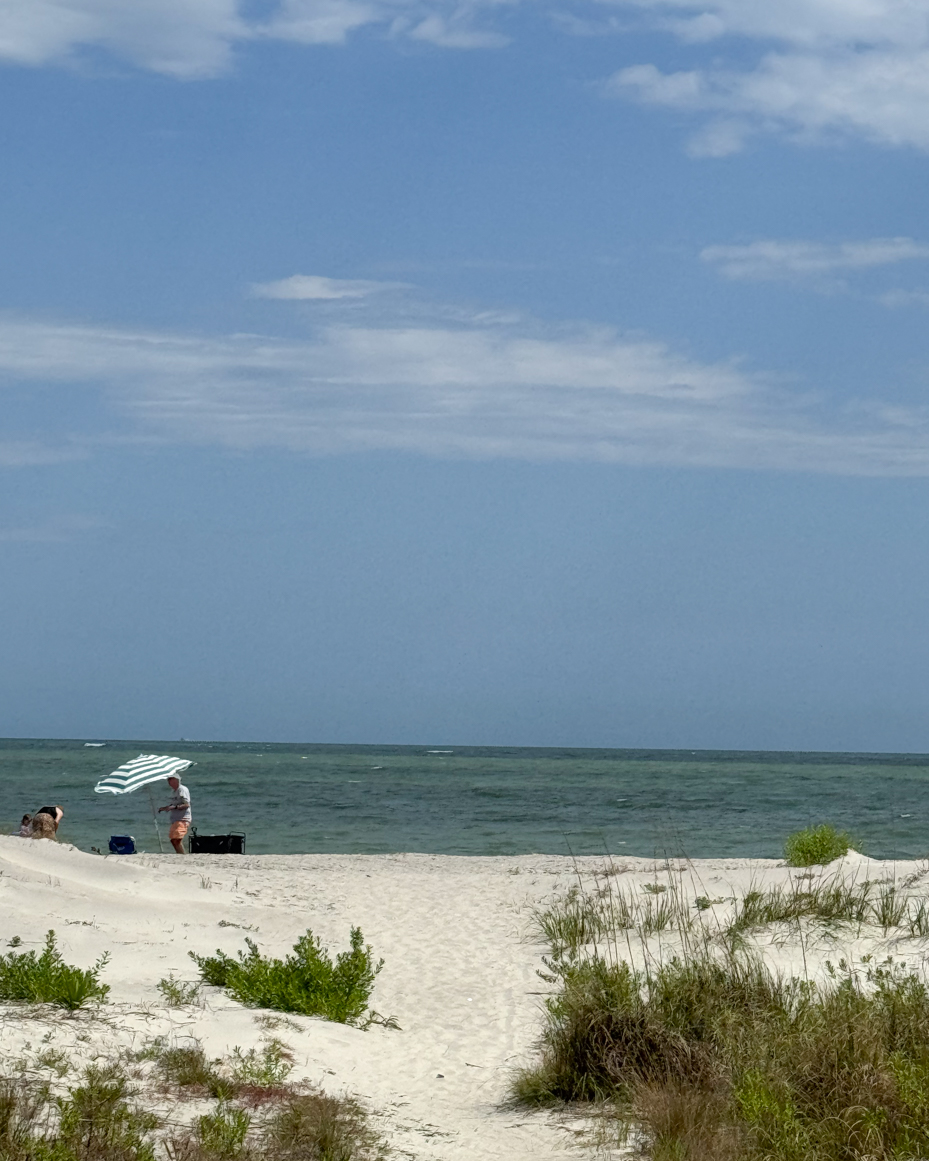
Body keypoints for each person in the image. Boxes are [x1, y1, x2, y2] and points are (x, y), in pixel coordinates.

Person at [158, 776, 191, 854]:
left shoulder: (182, 789)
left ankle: (182, 854)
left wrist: (175, 807)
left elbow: (186, 804)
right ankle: (179, 853)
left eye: (172, 781)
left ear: (177, 781)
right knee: (173, 839)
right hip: (175, 818)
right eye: (169, 782)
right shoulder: (174, 791)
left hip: (183, 818)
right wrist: (164, 808)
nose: (170, 784)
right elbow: (173, 804)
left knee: (177, 839)